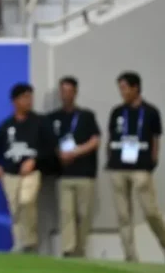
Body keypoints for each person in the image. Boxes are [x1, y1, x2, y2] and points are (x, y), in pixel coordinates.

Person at [0, 83, 54, 253]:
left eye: (30, 97)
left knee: (26, 201)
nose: (28, 101)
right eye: (24, 97)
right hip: (10, 173)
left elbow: (50, 147)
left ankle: (30, 242)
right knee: (15, 208)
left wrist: (35, 160)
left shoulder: (40, 122)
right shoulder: (7, 125)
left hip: (31, 173)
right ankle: (19, 244)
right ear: (15, 101)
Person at [107, 72, 165, 262]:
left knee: (150, 212)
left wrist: (152, 163)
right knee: (123, 215)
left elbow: (156, 140)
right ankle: (130, 256)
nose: (121, 92)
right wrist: (111, 159)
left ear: (135, 88)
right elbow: (111, 138)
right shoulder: (117, 112)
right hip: (118, 167)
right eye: (120, 88)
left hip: (141, 167)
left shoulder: (151, 112)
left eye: (124, 88)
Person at [48, 77, 100, 258]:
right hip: (63, 174)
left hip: (85, 173)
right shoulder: (53, 117)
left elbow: (95, 140)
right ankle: (68, 250)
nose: (66, 95)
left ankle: (81, 249)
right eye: (63, 91)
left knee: (83, 214)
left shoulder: (87, 116)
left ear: (75, 92)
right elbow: (49, 142)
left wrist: (76, 152)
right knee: (66, 213)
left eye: (69, 91)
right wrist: (59, 154)